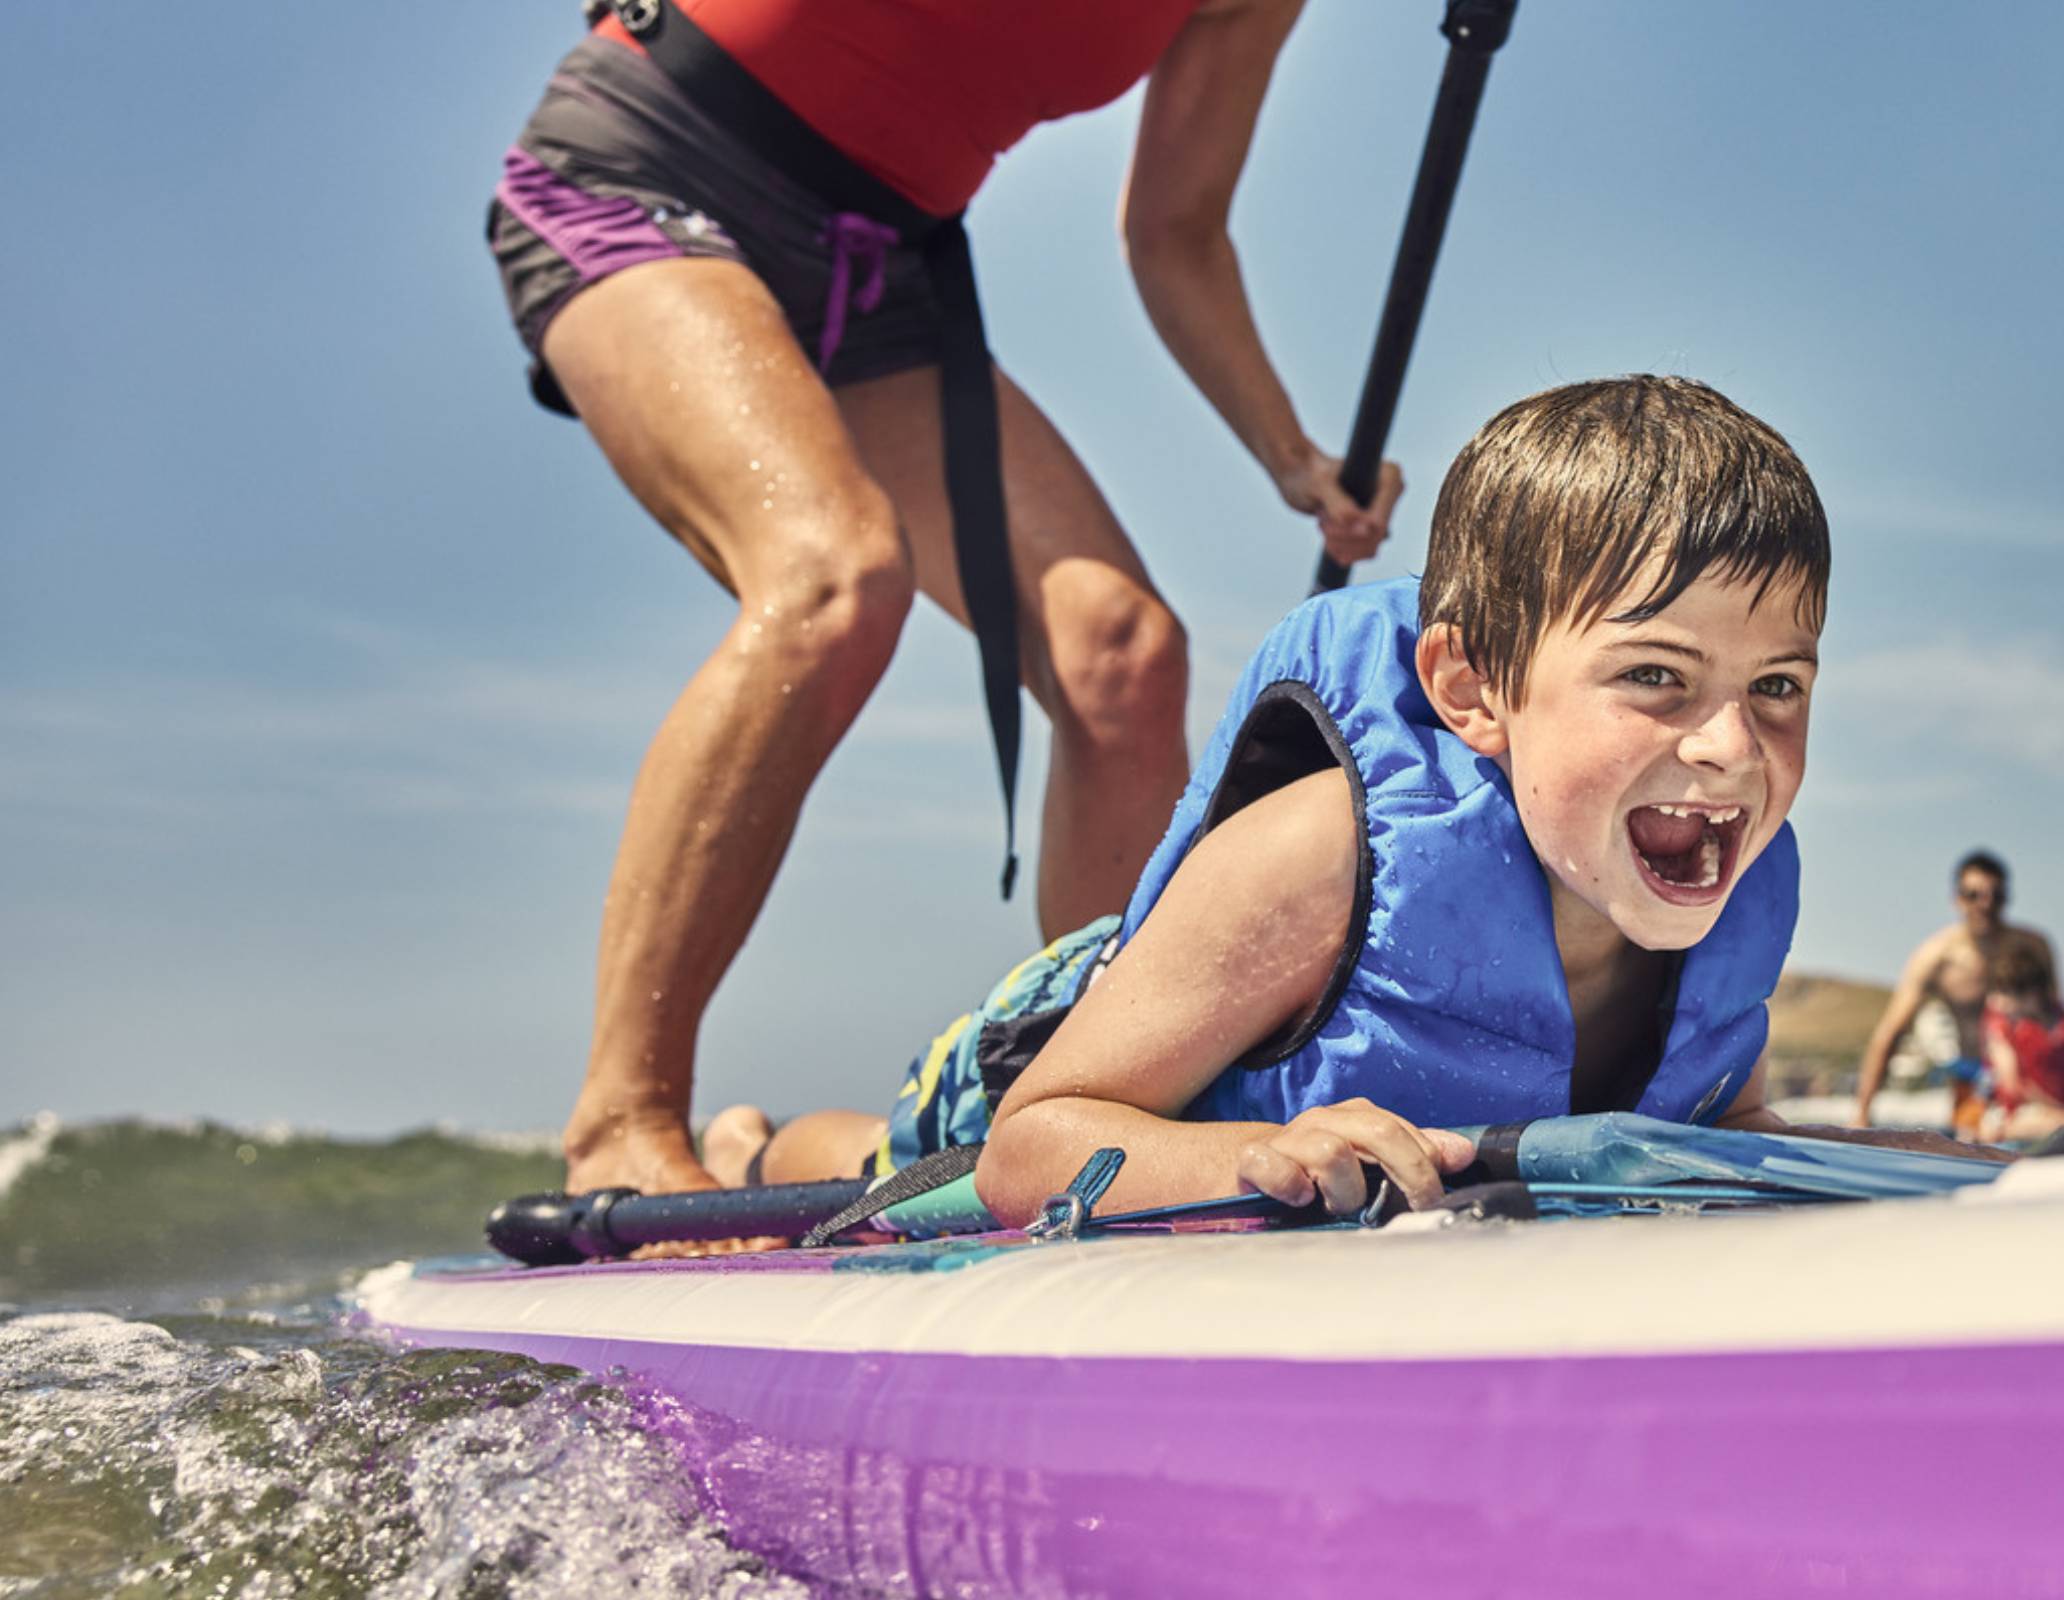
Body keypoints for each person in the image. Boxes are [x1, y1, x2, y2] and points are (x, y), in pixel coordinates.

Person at [488, 0, 1402, 1200]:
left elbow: (1175, 231)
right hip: (647, 165)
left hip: (879, 265)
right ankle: (623, 1117)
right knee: (833, 579)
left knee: (1120, 655)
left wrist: (1291, 455)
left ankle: (1100, 1108)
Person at [714, 376, 1930, 1217]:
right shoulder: (1322, 860)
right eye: (1655, 676)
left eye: (1777, 685)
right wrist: (1255, 1153)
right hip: (1063, 1047)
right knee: (883, 1163)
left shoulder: (1731, 874)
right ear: (1471, 689)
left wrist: (1916, 1174)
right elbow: (1029, 1149)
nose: (1730, 748)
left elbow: (1722, 1117)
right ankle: (752, 1142)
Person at [1852, 850, 2061, 1129]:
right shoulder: (1935, 957)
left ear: (2007, 897)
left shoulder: (2032, 948)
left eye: (1995, 895)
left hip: (2035, 1086)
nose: (1985, 904)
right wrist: (1862, 1113)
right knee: (1976, 1140)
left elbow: (2060, 1024)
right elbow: (1890, 1034)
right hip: (1975, 1087)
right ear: (1957, 899)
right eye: (1973, 895)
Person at [1979, 942, 2064, 1141]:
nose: (1994, 1001)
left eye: (2004, 993)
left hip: (2057, 1111)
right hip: (2015, 1113)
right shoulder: (2001, 1026)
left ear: (2033, 994)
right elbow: (2013, 1085)